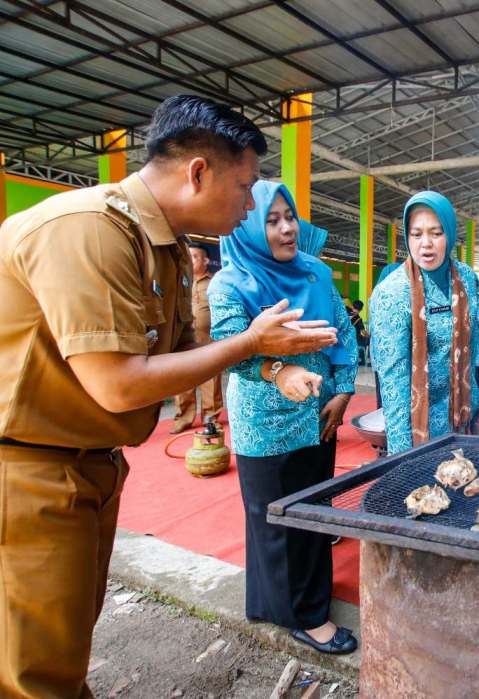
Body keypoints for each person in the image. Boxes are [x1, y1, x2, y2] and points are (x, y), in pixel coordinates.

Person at [0, 94, 337, 699]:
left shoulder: (166, 247)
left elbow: (174, 358)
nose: (250, 206)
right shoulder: (90, 230)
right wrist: (255, 348)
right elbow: (120, 382)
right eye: (244, 186)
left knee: (63, 639)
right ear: (198, 172)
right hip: (29, 466)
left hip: (88, 463)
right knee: (33, 668)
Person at [209, 180, 358, 655]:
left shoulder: (314, 273)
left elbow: (343, 332)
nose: (287, 228)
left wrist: (345, 390)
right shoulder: (230, 282)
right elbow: (229, 353)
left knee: (312, 514)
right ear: (249, 227)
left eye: (289, 216)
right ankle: (305, 617)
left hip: (320, 414)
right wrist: (276, 368)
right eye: (271, 220)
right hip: (266, 421)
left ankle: (289, 602)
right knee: (273, 519)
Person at [369, 191, 479, 454]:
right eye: (416, 234)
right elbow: (393, 387)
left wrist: (472, 404)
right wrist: (401, 457)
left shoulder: (464, 277)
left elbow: (472, 344)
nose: (426, 244)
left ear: (450, 234)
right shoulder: (393, 294)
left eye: (436, 233)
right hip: (418, 429)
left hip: (462, 417)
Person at [170, 242, 224, 433]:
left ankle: (211, 416)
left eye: (194, 256)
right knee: (182, 376)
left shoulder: (215, 282)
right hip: (183, 338)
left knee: (210, 377)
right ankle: (183, 417)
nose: (190, 260)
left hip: (207, 338)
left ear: (206, 260)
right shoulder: (179, 281)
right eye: (188, 256)